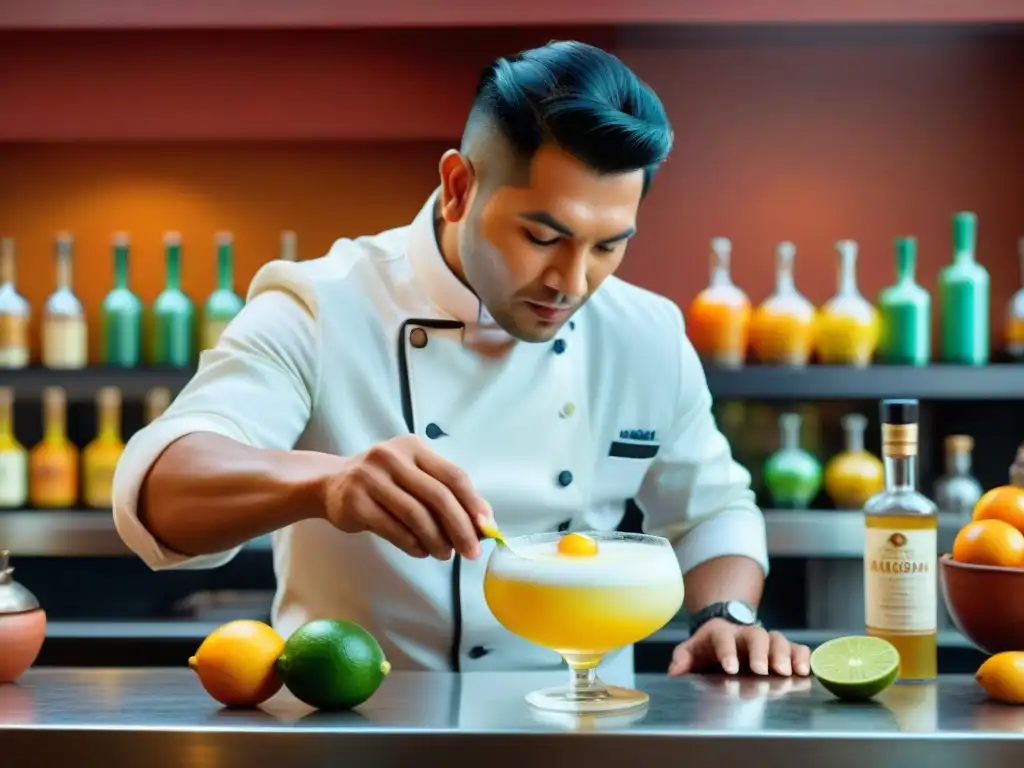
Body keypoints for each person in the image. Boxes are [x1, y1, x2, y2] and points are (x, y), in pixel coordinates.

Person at [112, 40, 810, 679]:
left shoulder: (647, 333)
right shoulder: (322, 304)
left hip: (585, 738)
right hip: (356, 736)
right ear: (457, 188)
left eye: (607, 246)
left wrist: (728, 616)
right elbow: (160, 490)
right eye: (542, 235)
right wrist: (327, 483)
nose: (572, 281)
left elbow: (711, 512)